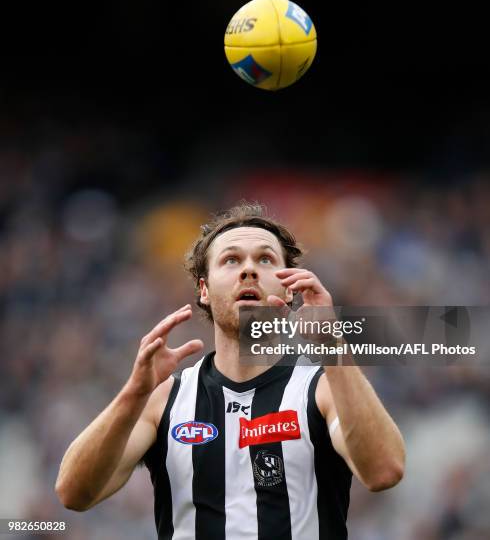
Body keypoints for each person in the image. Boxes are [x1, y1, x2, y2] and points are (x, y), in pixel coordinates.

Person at [56, 202, 405, 539]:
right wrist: (133, 392)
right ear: (204, 290)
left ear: (288, 287)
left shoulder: (323, 389)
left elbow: (383, 471)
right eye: (231, 259)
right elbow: (74, 494)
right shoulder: (164, 398)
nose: (249, 269)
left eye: (265, 259)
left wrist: (331, 343)